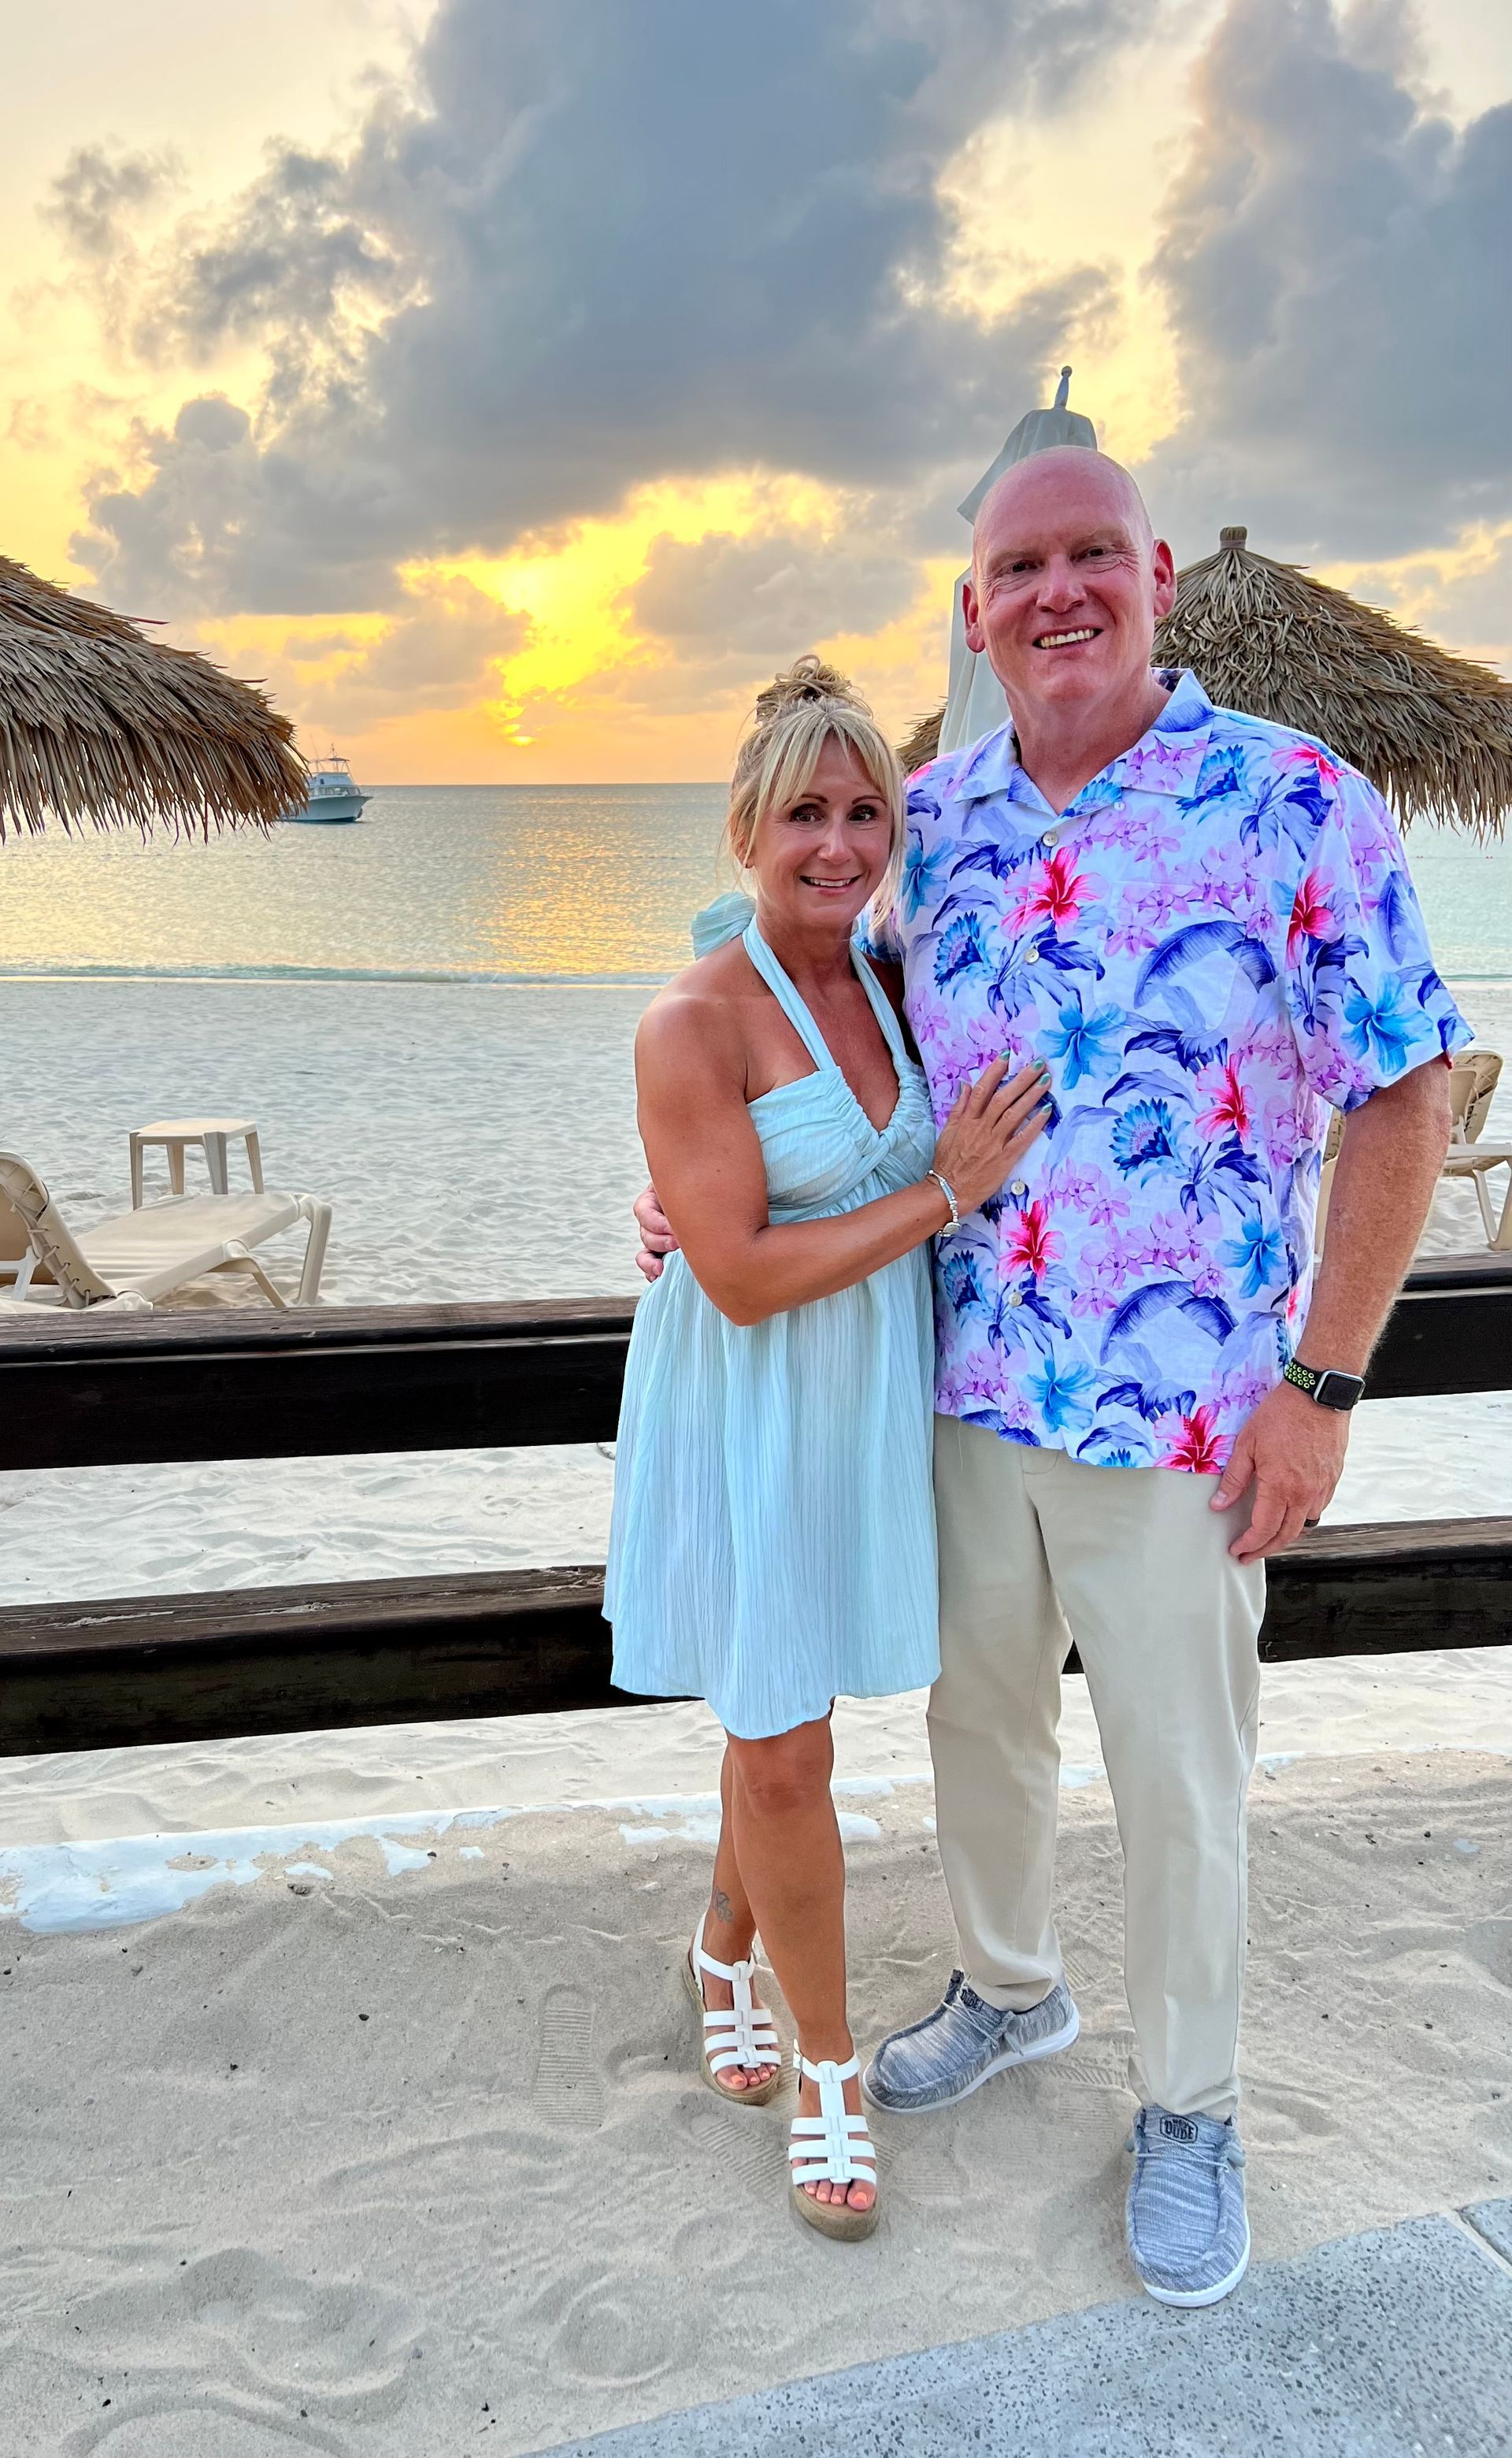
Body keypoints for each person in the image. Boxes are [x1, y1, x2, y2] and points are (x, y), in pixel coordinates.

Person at [636, 454, 1468, 2300]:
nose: (1059, 590)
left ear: (1158, 575)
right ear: (978, 603)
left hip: (1188, 1411)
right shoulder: (931, 827)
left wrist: (1323, 1383)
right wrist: (687, 1193)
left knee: (1182, 1775)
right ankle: (1009, 1989)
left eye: (1094, 553)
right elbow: (789, 1015)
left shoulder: (1294, 797)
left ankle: (1190, 2104)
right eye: (1023, 564)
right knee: (979, 1732)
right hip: (954, 1384)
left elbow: (1407, 1086)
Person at [606, 658, 1049, 2243]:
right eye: (808, 811)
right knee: (786, 1742)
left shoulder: (903, 979)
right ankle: (829, 2068)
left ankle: (725, 1943)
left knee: (792, 1714)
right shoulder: (692, 1017)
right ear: (748, 827)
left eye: (868, 810)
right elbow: (728, 1266)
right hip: (749, 1398)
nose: (842, 841)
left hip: (870, 1390)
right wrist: (945, 1190)